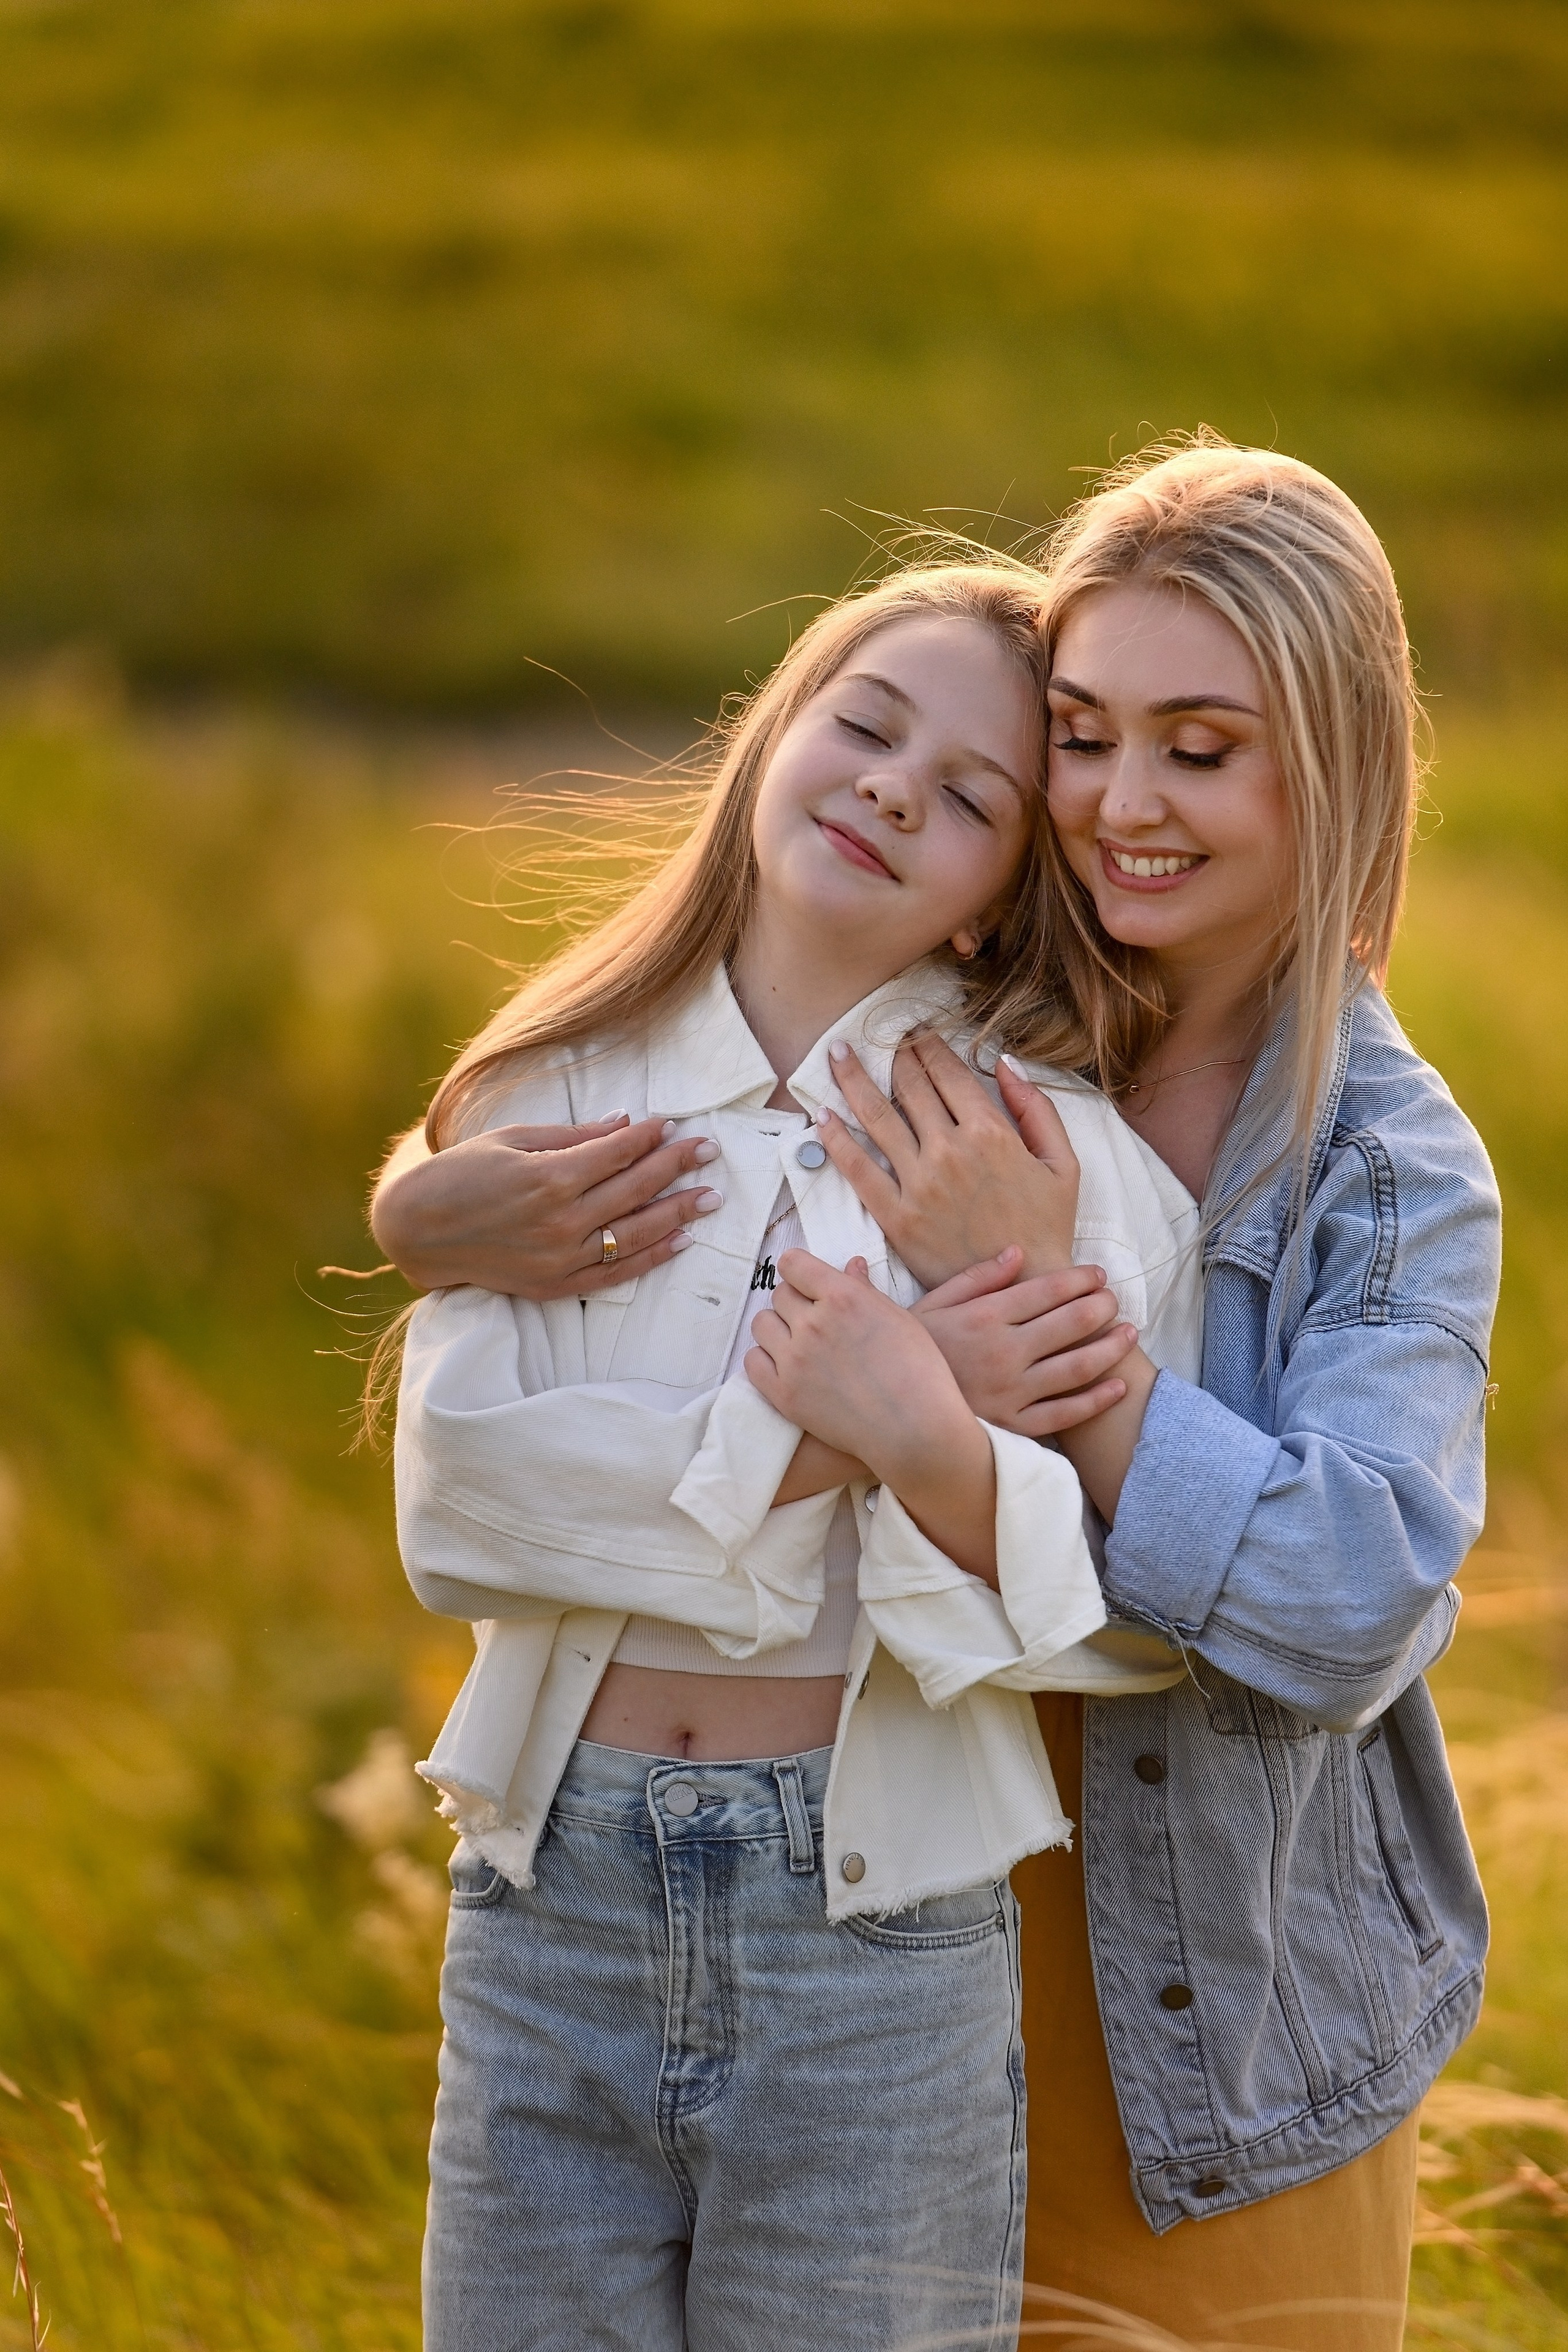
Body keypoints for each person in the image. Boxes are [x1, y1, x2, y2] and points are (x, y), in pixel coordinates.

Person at [375, 439, 1501, 2352]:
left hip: (1193, 2030)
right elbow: (681, 1110)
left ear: (1338, 768)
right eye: (1080, 734)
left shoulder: (1377, 1170)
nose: (1120, 805)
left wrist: (1035, 1331)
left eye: (1201, 751)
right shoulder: (961, 1024)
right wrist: (417, 1200)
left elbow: (1348, 1602)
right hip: (852, 1912)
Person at [382, 560, 1208, 2352]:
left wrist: (931, 1440)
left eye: (978, 795)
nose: (902, 784)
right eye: (869, 723)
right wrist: (834, 1443)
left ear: (1002, 906)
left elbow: (1127, 1604)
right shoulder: (556, 1102)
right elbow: (462, 1507)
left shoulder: (1039, 1165)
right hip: (549, 1910)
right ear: (774, 740)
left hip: (878, 1933)